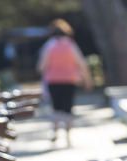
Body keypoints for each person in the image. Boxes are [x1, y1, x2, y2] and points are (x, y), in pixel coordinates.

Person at [37, 19, 92, 147]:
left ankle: (55, 133)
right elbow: (82, 64)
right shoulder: (71, 45)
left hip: (53, 80)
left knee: (56, 107)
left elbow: (41, 67)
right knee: (68, 107)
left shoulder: (49, 46)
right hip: (70, 80)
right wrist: (88, 81)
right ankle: (68, 136)